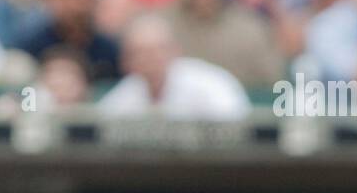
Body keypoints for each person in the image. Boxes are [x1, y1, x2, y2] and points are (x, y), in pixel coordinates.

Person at [98, 13, 250, 120]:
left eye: (157, 50)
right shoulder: (123, 96)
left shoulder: (210, 85)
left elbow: (238, 127)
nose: (149, 60)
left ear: (175, 51)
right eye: (139, 53)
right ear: (126, 61)